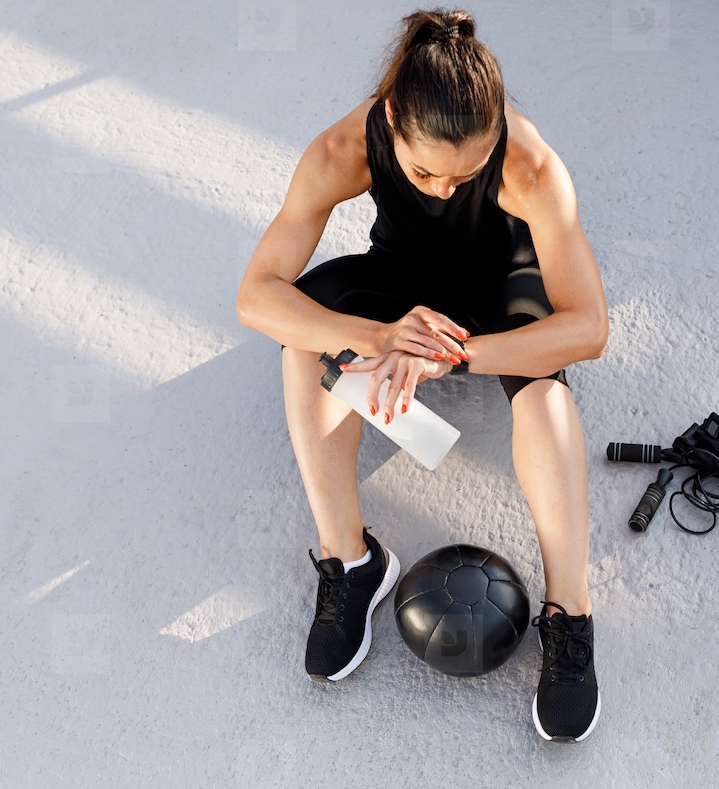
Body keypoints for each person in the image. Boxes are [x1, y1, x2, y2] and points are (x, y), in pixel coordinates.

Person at [236, 8, 608, 743]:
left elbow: (588, 326)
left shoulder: (531, 167)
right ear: (395, 118)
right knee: (300, 343)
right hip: (399, 286)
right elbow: (258, 296)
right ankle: (353, 560)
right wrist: (378, 334)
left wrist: (453, 353)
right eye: (423, 172)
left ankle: (572, 609)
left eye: (463, 174)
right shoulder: (346, 146)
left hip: (505, 291)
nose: (442, 188)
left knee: (547, 391)